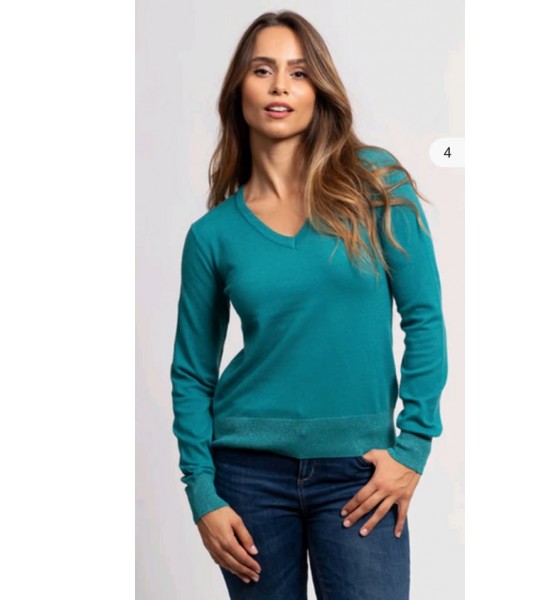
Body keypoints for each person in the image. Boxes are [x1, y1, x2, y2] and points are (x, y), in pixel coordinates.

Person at [170, 9, 447, 600]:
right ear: (239, 89)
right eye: (262, 70)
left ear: (318, 89)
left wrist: (413, 448)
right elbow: (192, 373)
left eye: (298, 73)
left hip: (359, 472)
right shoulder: (213, 235)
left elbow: (424, 318)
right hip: (246, 475)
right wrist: (202, 494)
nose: (280, 86)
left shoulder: (376, 183)